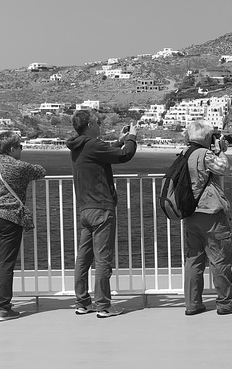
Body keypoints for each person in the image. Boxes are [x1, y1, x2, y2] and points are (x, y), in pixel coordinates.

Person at [66, 110, 137, 318]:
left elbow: (103, 152)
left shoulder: (78, 146)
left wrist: (119, 140)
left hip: (85, 209)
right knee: (103, 259)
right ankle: (103, 305)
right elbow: (125, 155)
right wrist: (132, 137)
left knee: (83, 258)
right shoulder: (92, 144)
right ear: (89, 125)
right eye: (97, 121)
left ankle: (82, 302)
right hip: (102, 208)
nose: (100, 124)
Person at [0, 132, 46, 321]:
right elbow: (41, 171)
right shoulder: (20, 166)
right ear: (12, 149)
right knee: (5, 264)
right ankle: (4, 309)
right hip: (8, 218)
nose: (22, 149)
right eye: (20, 146)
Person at [182, 119, 232, 316]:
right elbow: (226, 169)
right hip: (210, 213)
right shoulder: (204, 154)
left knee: (194, 260)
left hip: (190, 213)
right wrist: (220, 151)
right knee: (220, 258)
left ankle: (193, 304)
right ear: (207, 137)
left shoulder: (184, 154)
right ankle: (226, 303)